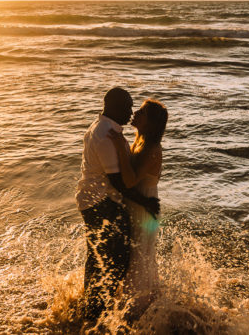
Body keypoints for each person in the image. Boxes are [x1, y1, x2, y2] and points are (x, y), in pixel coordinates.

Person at [76, 88, 161, 329]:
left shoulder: (107, 130)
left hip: (101, 202)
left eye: (135, 108)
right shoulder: (106, 135)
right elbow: (120, 182)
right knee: (115, 257)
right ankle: (99, 310)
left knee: (106, 255)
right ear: (113, 106)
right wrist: (145, 202)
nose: (131, 112)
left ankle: (97, 305)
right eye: (128, 107)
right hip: (103, 204)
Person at [107, 99, 167, 321]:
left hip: (144, 208)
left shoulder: (151, 148)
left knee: (139, 258)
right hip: (140, 205)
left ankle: (136, 311)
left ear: (149, 122)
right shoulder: (141, 142)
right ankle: (146, 304)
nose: (134, 113)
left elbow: (131, 180)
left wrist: (117, 145)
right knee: (139, 256)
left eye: (140, 112)